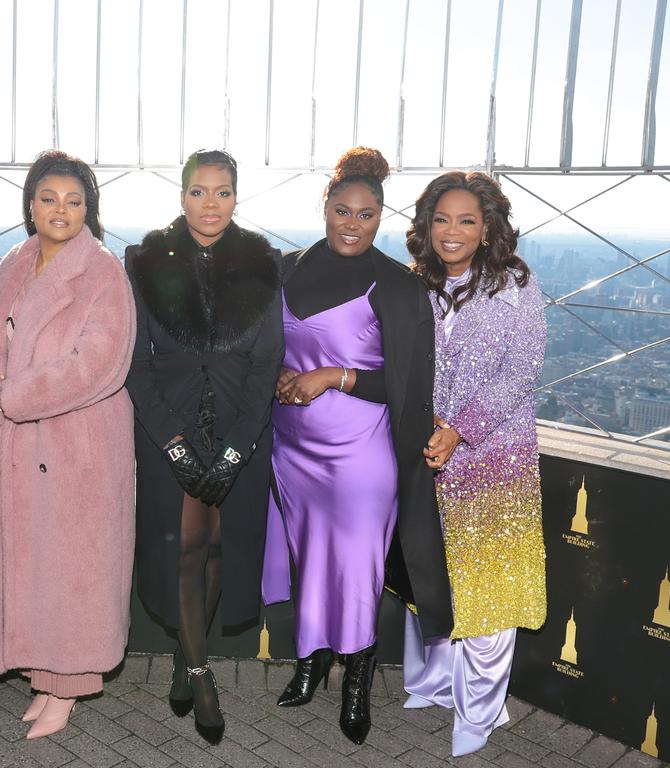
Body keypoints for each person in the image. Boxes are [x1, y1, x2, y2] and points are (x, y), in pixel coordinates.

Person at [261, 147, 453, 745]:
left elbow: (408, 386)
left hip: (361, 451)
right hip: (292, 447)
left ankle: (356, 682)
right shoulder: (285, 269)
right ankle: (314, 661)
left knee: (357, 569)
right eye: (342, 210)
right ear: (325, 207)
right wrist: (273, 376)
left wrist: (333, 376)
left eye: (366, 215)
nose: (352, 223)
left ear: (381, 217)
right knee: (308, 558)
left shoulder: (398, 286)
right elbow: (261, 346)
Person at [0, 150, 136, 740]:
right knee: (39, 567)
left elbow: (99, 364)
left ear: (89, 208)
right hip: (21, 449)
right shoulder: (15, 264)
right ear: (30, 205)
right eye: (48, 199)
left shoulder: (103, 272)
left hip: (79, 447)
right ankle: (45, 677)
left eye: (73, 200)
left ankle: (70, 686)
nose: (60, 210)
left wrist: (14, 396)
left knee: (76, 570)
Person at [125, 149, 282, 744]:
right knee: (186, 549)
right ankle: (199, 669)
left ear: (236, 197)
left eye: (221, 192)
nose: (209, 203)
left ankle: (186, 655)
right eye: (198, 191)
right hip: (170, 430)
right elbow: (136, 365)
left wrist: (240, 448)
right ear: (181, 194)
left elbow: (269, 361)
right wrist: (174, 445)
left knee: (219, 549)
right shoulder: (144, 263)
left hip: (242, 430)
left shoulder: (264, 265)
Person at [402, 171, 547, 757]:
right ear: (426, 226)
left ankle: (480, 713)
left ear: (488, 227)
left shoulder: (515, 283)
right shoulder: (417, 285)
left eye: (466, 220)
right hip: (426, 458)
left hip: (495, 462)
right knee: (429, 579)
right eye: (441, 219)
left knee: (489, 591)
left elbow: (523, 367)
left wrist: (462, 428)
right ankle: (433, 684)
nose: (452, 231)